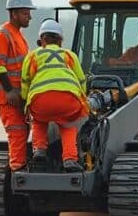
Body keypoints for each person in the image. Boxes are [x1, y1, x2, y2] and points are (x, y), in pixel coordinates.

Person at [20, 19, 88, 172]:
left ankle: (39, 150)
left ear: (41, 40)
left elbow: (25, 82)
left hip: (40, 100)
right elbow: (81, 81)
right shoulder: (70, 56)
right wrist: (83, 100)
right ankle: (70, 158)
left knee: (38, 121)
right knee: (68, 125)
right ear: (60, 40)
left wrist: (25, 102)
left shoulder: (32, 56)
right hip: (68, 100)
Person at [0, 0, 35, 171]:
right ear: (14, 14)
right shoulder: (2, 35)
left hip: (19, 97)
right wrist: (10, 91)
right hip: (8, 98)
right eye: (25, 13)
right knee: (17, 133)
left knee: (23, 134)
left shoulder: (18, 36)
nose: (29, 16)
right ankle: (18, 171)